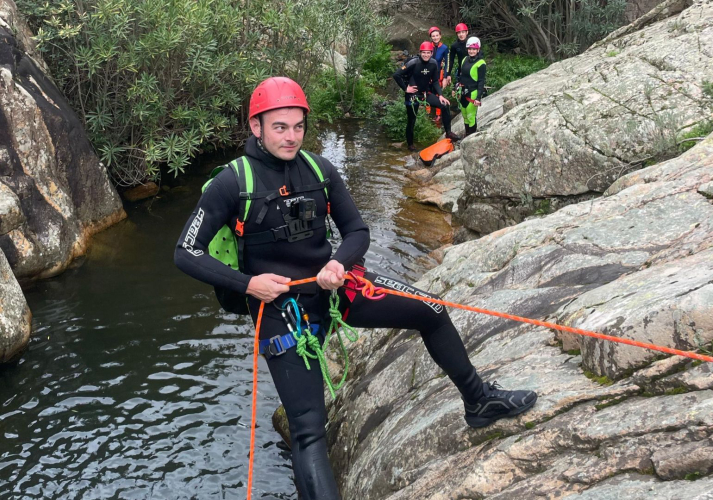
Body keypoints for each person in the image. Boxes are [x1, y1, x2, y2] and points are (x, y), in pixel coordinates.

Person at [174, 76, 537, 500]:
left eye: (298, 126)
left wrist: (337, 262)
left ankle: (478, 401)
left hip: (335, 286)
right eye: (279, 127)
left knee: (432, 311)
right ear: (256, 127)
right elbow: (186, 252)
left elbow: (357, 232)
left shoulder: (319, 170)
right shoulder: (232, 183)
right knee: (309, 429)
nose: (291, 137)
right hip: (279, 309)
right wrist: (249, 284)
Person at [393, 41, 459, 151]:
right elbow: (396, 75)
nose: (426, 55)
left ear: (431, 53)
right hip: (413, 95)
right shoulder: (413, 62)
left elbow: (435, 82)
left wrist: (441, 95)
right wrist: (406, 88)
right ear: (420, 52)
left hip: (425, 93)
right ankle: (410, 144)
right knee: (411, 120)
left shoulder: (433, 63)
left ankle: (448, 133)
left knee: (444, 105)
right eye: (424, 52)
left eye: (428, 53)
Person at [457, 37, 486, 137]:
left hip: (472, 93)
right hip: (463, 92)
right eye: (469, 49)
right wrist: (455, 87)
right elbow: (461, 76)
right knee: (464, 116)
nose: (471, 51)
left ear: (478, 50)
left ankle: (471, 137)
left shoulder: (481, 63)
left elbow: (481, 81)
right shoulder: (465, 59)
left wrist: (478, 97)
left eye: (474, 49)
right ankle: (466, 135)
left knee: (471, 116)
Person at [428, 26, 449, 122]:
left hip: (438, 73)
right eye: (433, 36)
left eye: (437, 35)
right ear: (431, 37)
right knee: (427, 92)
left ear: (440, 36)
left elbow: (447, 63)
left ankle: (438, 115)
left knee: (437, 93)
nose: (435, 37)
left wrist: (445, 77)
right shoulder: (428, 46)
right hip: (428, 72)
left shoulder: (444, 48)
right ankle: (427, 112)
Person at [446, 23, 471, 88]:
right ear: (457, 34)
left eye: (463, 32)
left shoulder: (472, 43)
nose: (461, 34)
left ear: (467, 32)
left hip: (473, 69)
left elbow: (480, 56)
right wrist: (448, 74)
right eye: (459, 33)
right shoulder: (455, 46)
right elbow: (451, 60)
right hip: (461, 70)